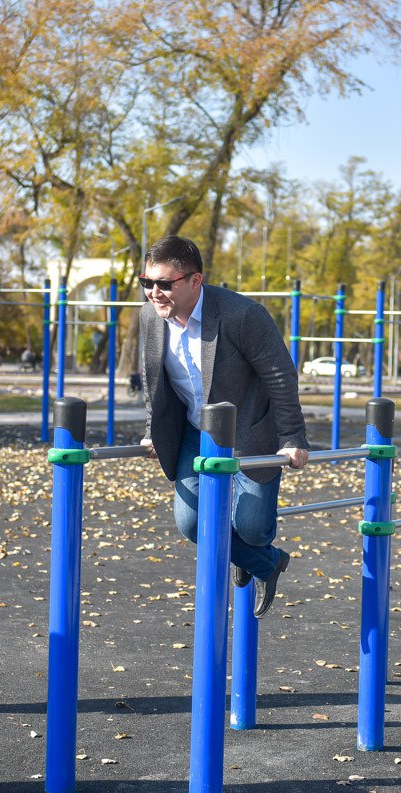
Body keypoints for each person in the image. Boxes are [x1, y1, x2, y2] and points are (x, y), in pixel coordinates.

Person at [138, 236, 309, 617]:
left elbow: (280, 375)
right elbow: (154, 381)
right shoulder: (150, 316)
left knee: (251, 527)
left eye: (164, 283)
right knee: (192, 523)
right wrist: (152, 430)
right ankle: (267, 563)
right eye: (146, 282)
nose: (153, 292)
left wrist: (292, 437)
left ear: (195, 280)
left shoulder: (242, 315)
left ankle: (247, 551)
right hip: (195, 430)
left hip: (249, 427)